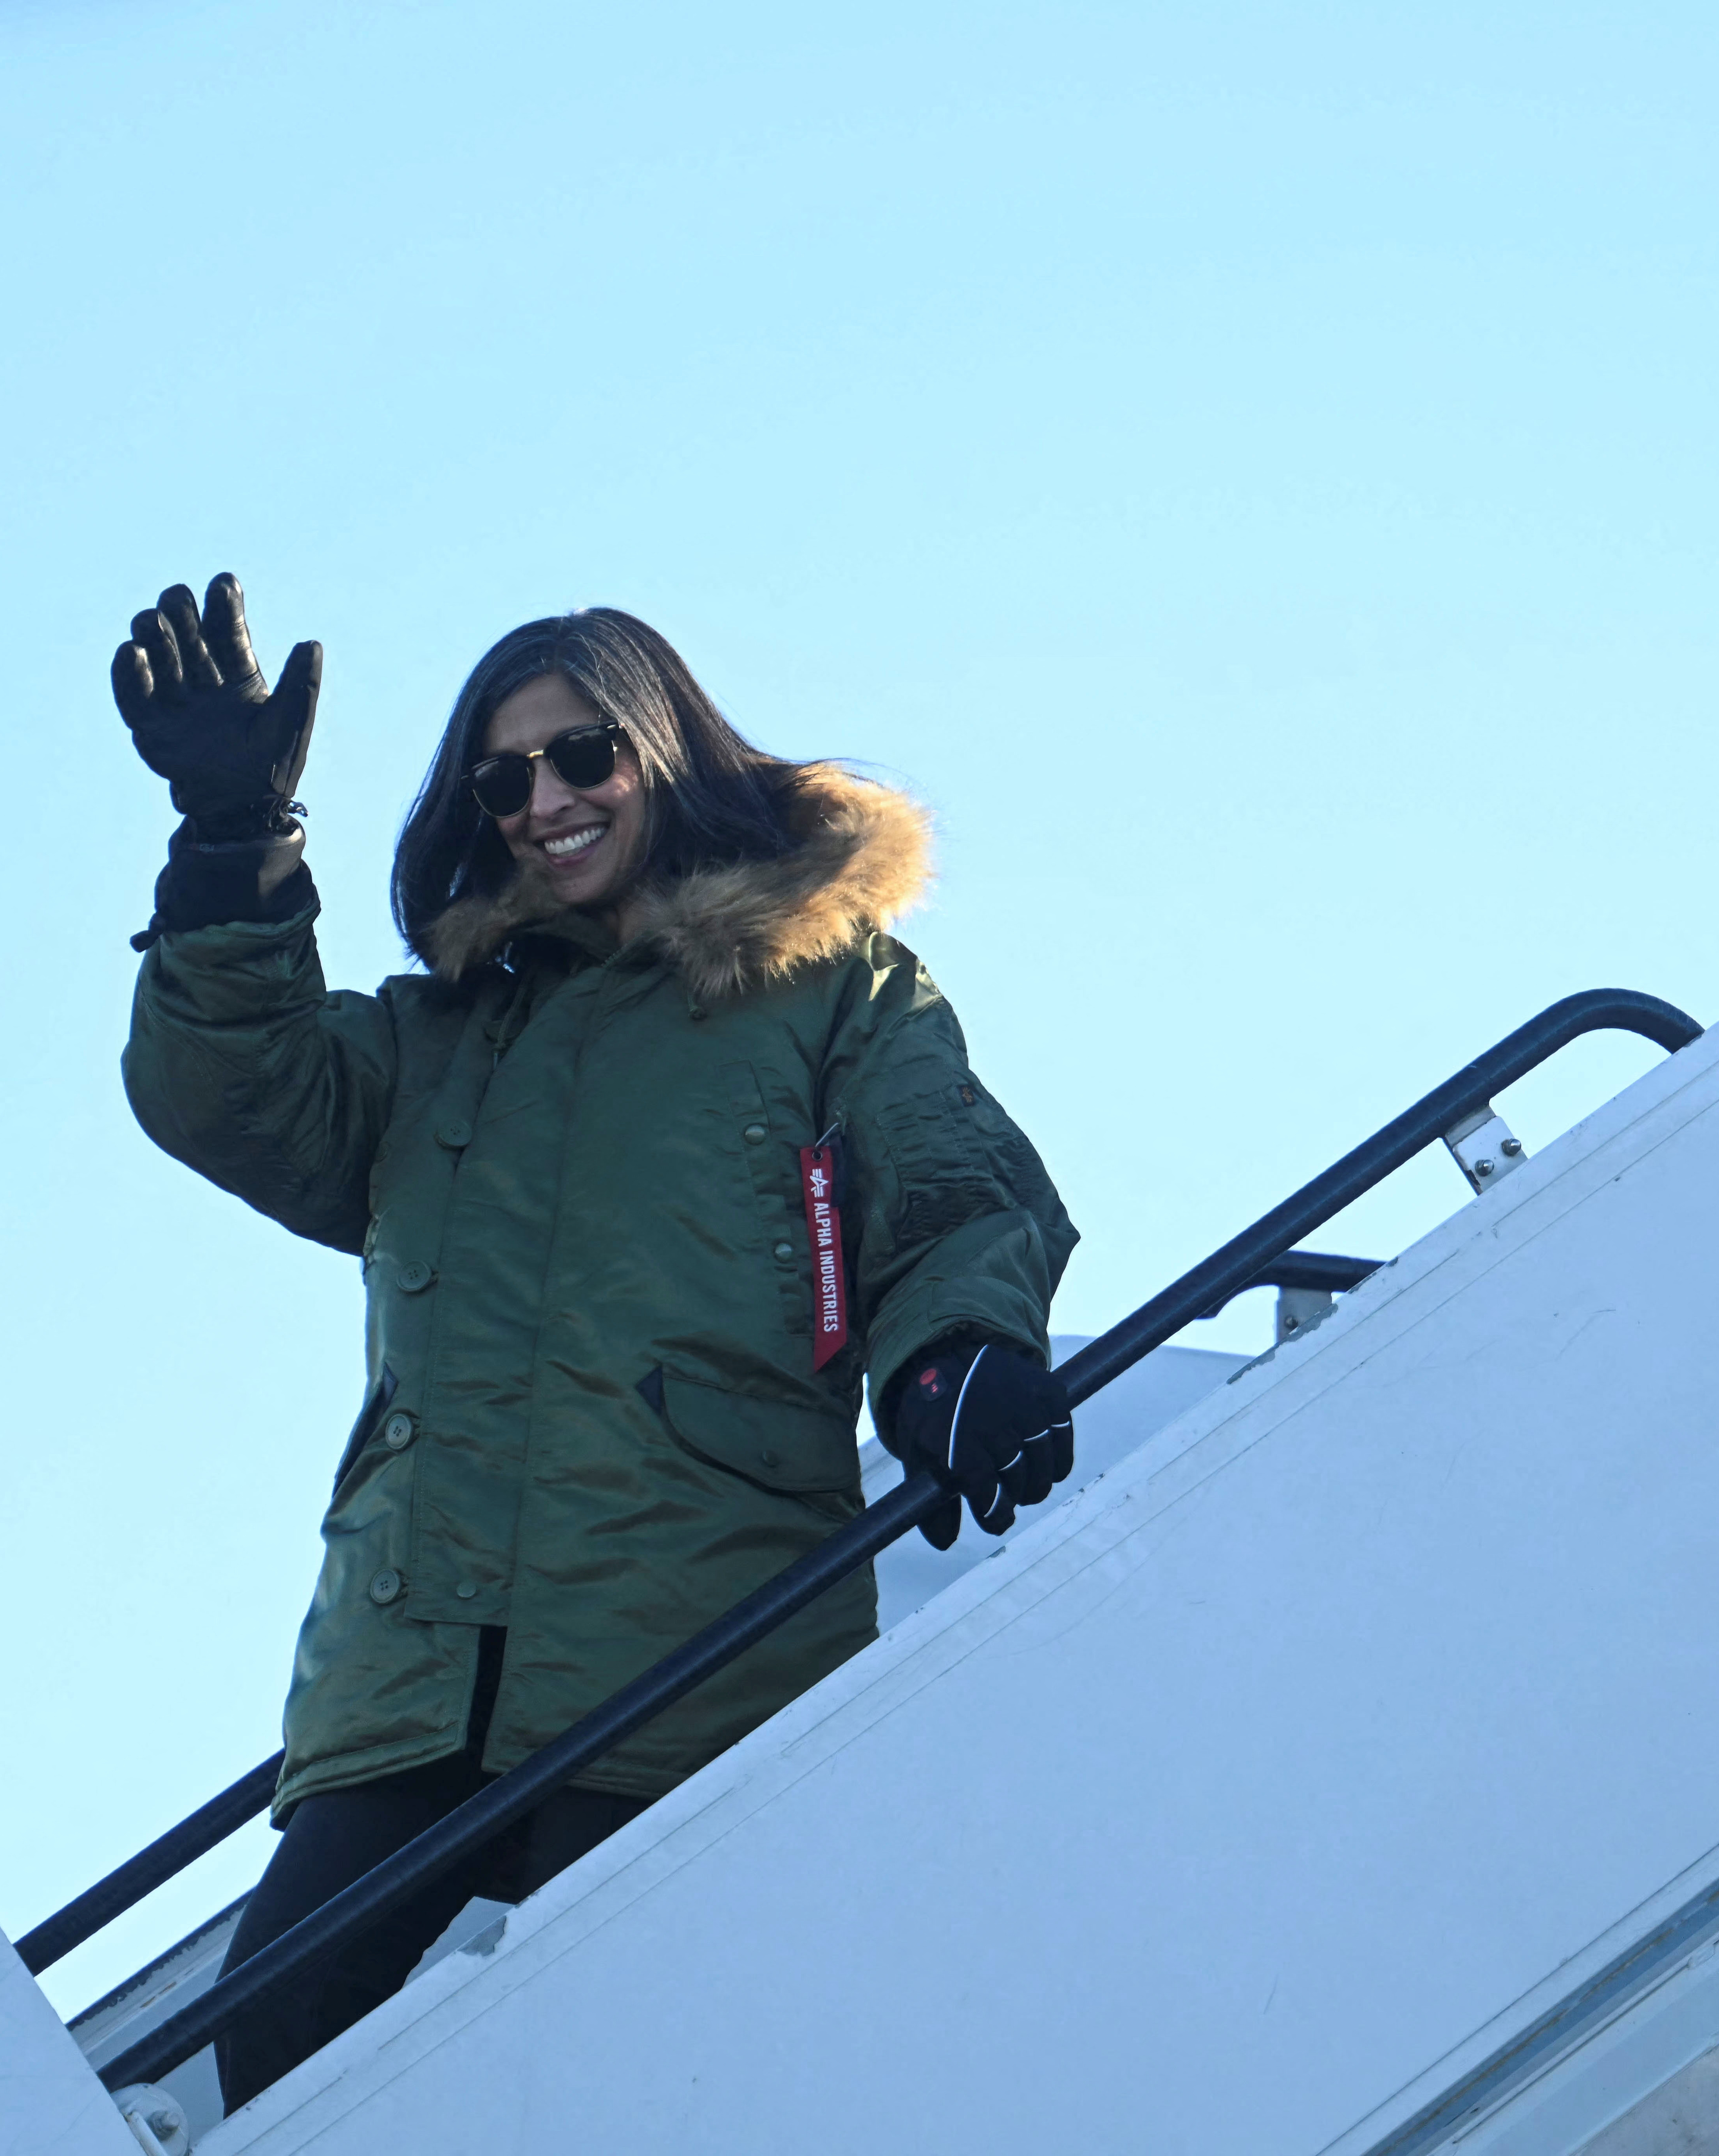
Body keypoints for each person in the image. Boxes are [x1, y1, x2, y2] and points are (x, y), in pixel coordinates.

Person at [110, 578, 1079, 2106]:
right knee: (281, 2041)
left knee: (618, 2071)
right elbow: (228, 1094)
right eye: (504, 779)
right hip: (416, 1658)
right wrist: (231, 836)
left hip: (690, 1640)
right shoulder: (433, 1043)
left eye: (583, 757)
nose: (545, 801)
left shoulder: (825, 986)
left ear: (664, 751)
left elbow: (945, 1176)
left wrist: (956, 1356)